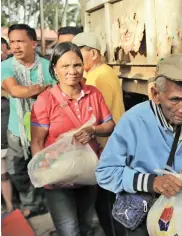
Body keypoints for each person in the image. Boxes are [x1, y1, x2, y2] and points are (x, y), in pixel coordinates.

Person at [96, 53, 182, 236]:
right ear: (155, 94)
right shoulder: (132, 122)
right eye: (175, 99)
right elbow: (105, 172)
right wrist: (152, 182)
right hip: (141, 212)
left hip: (178, 209)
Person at [30, 42, 115, 236]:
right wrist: (45, 175)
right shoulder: (45, 100)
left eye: (77, 65)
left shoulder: (93, 93)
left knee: (86, 225)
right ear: (54, 69)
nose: (72, 71)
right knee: (69, 230)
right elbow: (36, 142)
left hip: (87, 174)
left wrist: (93, 130)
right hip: (58, 179)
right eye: (65, 66)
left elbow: (110, 125)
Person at [72, 32, 125, 236]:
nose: (74, 60)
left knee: (107, 203)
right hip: (106, 145)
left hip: (106, 146)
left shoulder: (99, 77)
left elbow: (98, 116)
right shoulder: (99, 73)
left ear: (93, 53)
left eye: (79, 53)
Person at [1, 24, 54, 218]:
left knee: (45, 166)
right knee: (16, 170)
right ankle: (31, 201)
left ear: (33, 43)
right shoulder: (6, 66)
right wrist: (41, 89)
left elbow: (59, 94)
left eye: (20, 41)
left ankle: (44, 203)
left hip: (45, 128)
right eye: (12, 42)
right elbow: (15, 91)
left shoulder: (49, 66)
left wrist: (36, 90)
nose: (15, 46)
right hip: (17, 130)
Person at [1, 88, 13, 213]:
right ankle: (8, 205)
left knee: (5, 175)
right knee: (3, 176)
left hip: (8, 142)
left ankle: (10, 206)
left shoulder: (6, 97)